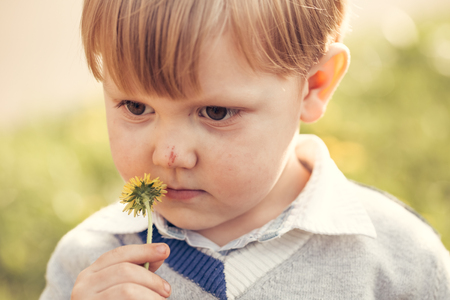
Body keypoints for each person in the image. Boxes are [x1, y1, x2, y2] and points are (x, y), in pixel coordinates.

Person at [41, 0, 450, 299]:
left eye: (215, 112)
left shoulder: (399, 260)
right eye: (136, 107)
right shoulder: (91, 263)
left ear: (314, 85)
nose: (169, 154)